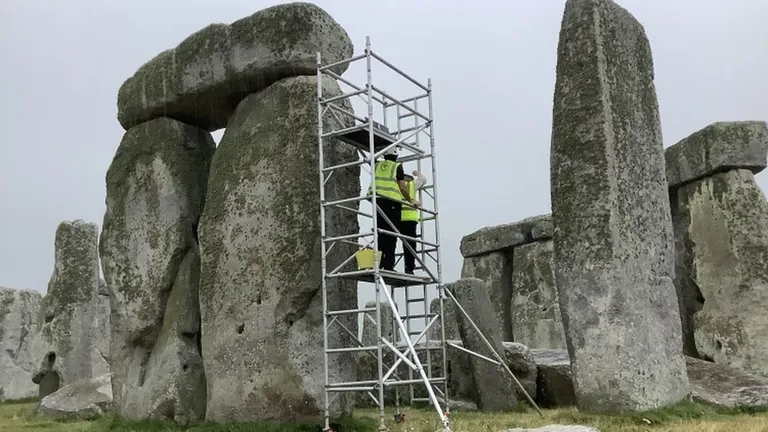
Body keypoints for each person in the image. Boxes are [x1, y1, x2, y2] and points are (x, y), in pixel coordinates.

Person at [366, 147, 418, 271]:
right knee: (391, 234)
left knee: (380, 233)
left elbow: (370, 159)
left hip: (377, 201)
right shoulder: (397, 166)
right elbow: (402, 187)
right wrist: (411, 200)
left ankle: (379, 264)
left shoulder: (377, 165)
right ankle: (388, 265)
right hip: (392, 203)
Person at [400, 170, 427, 274]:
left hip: (396, 217)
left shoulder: (396, 185)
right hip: (410, 219)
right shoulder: (412, 185)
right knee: (410, 245)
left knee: (390, 242)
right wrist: (418, 174)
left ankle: (387, 265)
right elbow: (423, 180)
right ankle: (409, 268)